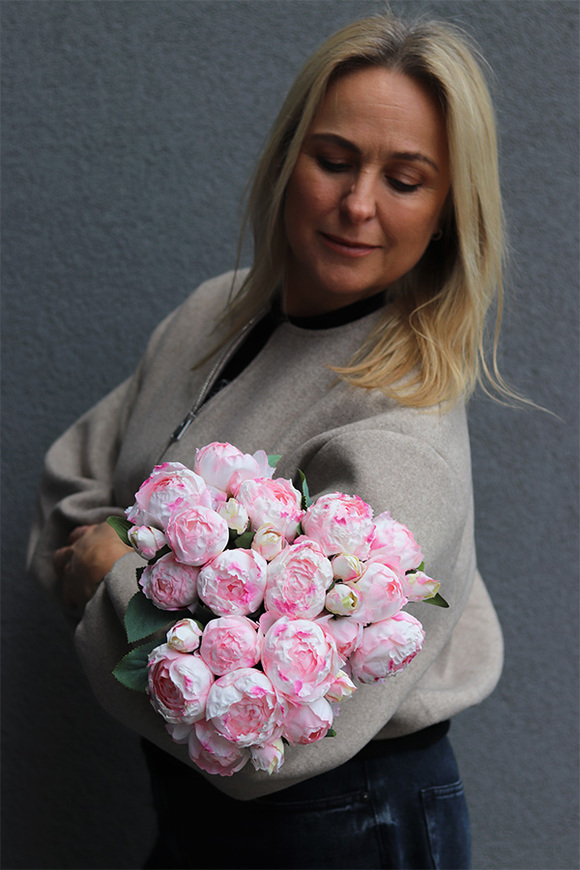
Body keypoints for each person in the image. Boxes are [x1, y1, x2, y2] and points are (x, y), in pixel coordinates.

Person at [28, 11, 508, 870]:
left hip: (341, 823)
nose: (357, 204)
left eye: (405, 180)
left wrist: (111, 574)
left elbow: (275, 733)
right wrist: (139, 581)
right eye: (333, 160)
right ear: (288, 159)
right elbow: (76, 476)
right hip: (196, 808)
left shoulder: (402, 431)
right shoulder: (216, 312)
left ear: (446, 213)